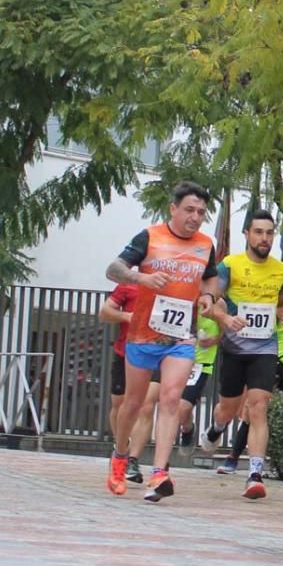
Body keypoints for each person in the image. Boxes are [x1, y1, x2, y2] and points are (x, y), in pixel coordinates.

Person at [104, 181, 219, 502]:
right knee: (133, 404)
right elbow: (113, 268)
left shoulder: (205, 244)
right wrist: (141, 277)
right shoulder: (149, 237)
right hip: (143, 335)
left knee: (170, 399)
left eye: (201, 212)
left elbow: (210, 276)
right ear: (173, 209)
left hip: (182, 336)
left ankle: (159, 473)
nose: (195, 217)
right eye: (189, 210)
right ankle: (119, 456)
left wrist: (208, 295)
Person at [198, 210, 283, 500]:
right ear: (247, 234)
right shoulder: (230, 265)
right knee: (228, 409)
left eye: (269, 233)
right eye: (259, 232)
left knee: (258, 406)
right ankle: (217, 428)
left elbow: (282, 305)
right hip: (234, 348)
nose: (264, 238)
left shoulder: (280, 270)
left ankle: (254, 474)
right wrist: (226, 320)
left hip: (265, 348)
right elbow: (213, 301)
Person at [215, 271, 283, 476]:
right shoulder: (268, 307)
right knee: (236, 408)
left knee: (252, 409)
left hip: (275, 362)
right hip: (253, 356)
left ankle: (234, 460)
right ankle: (220, 434)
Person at [98, 283, 160, 483]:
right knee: (122, 405)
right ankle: (121, 449)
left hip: (158, 352)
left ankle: (133, 459)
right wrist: (127, 316)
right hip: (126, 352)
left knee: (147, 406)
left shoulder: (171, 285)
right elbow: (104, 313)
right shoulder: (128, 286)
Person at [174, 312, 221, 459]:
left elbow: (228, 331)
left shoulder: (219, 303)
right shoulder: (184, 299)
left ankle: (187, 429)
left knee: (184, 407)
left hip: (200, 364)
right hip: (175, 358)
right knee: (174, 408)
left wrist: (214, 340)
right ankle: (187, 428)